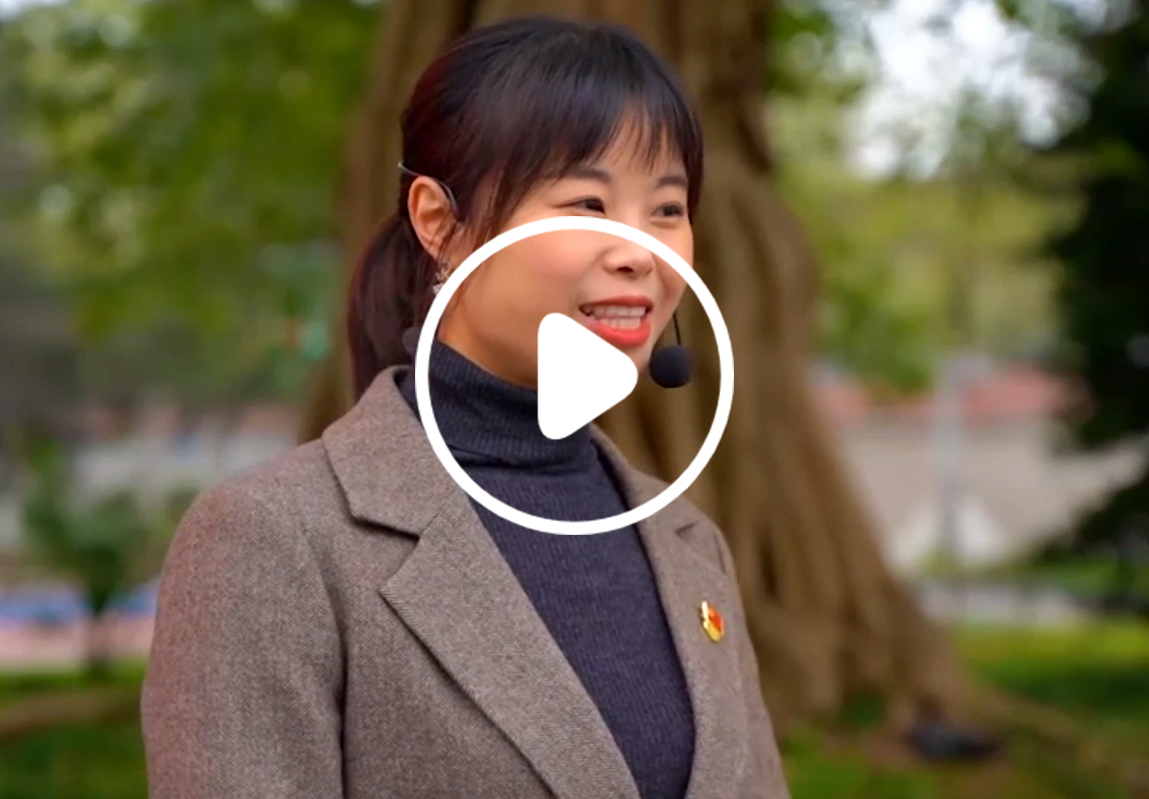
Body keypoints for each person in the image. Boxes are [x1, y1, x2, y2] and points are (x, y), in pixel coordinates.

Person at [141, 15, 791, 799]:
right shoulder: (277, 538)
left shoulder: (690, 542)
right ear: (440, 223)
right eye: (586, 203)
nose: (638, 252)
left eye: (665, 209)